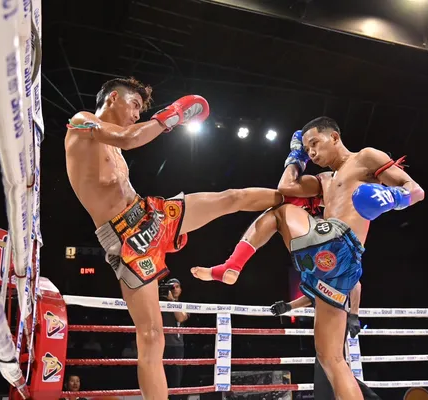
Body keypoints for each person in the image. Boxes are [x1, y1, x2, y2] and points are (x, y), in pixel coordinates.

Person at [64, 77, 283, 400]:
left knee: (230, 198)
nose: (136, 114)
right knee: (152, 336)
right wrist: (172, 116)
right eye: (134, 105)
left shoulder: (113, 146)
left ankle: (296, 197)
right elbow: (130, 138)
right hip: (127, 240)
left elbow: (126, 147)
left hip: (150, 215)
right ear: (112, 98)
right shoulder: (81, 123)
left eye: (140, 110)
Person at [193, 116, 424, 399]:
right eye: (307, 149)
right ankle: (232, 266)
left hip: (342, 245)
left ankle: (233, 264)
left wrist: (391, 198)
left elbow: (416, 190)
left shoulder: (365, 157)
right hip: (333, 270)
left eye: (315, 143)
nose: (312, 152)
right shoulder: (324, 180)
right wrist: (296, 157)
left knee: (278, 213)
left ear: (335, 137)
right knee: (331, 358)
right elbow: (285, 187)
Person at [271, 285, 381, 400]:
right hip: (324, 320)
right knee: (329, 368)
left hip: (335, 318)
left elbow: (355, 284)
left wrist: (354, 315)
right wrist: (288, 306)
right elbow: (315, 295)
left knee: (331, 366)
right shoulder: (318, 279)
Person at [160, 278, 188, 397]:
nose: (174, 289)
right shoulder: (160, 304)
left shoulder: (183, 305)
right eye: (172, 287)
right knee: (160, 379)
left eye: (177, 287)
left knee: (175, 381)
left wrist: (173, 301)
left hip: (176, 346)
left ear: (180, 289)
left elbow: (181, 318)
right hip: (161, 345)